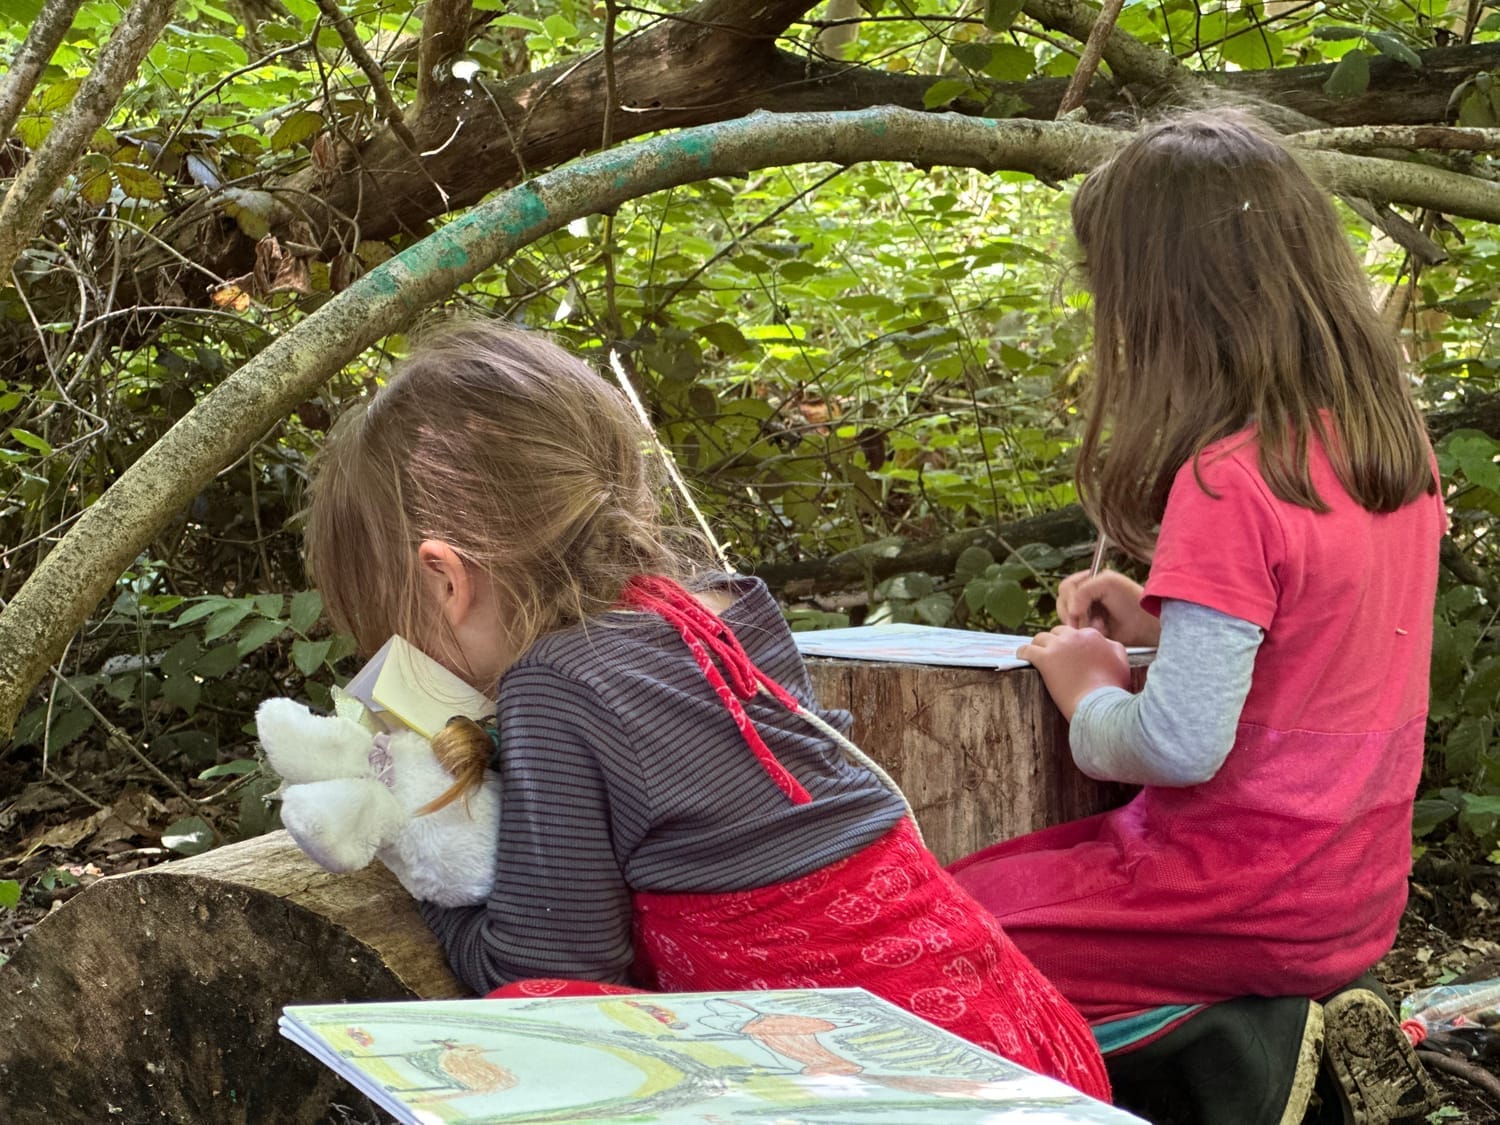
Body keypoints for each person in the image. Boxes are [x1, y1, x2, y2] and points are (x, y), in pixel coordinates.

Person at [301, 320, 1111, 1102]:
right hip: (1007, 1034)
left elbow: (543, 963)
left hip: (888, 1087)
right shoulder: (729, 609)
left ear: (445, 580)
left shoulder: (554, 683)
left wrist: (413, 859)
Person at [947, 111, 1446, 1125]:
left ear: (1171, 306)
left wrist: (1089, 689)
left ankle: (1238, 1045)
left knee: (944, 933)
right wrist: (1156, 628)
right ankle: (1280, 1013)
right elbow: (1315, 650)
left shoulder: (1229, 481)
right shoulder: (1387, 454)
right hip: (1349, 892)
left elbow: (1177, 746)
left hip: (1236, 894)